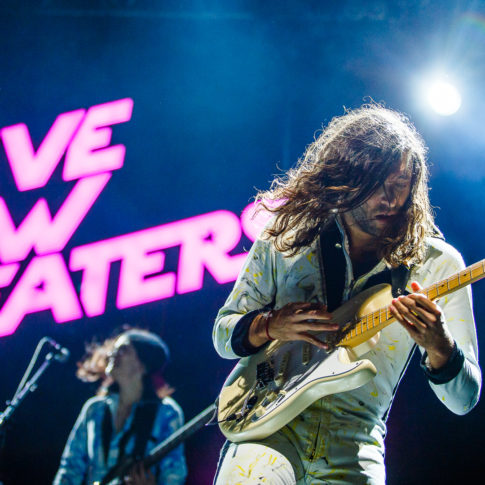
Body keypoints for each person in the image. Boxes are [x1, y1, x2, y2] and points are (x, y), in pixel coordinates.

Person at [212, 104, 481, 484]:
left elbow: (464, 399)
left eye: (401, 182)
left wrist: (440, 347)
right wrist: (270, 325)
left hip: (356, 443)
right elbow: (224, 334)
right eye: (376, 181)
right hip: (267, 429)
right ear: (343, 175)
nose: (389, 197)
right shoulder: (286, 236)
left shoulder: (439, 264)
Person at [53, 328, 187, 485]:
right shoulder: (94, 409)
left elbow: (174, 475)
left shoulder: (167, 412)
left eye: (122, 349)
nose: (111, 354)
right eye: (113, 349)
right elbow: (70, 468)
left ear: (143, 364)